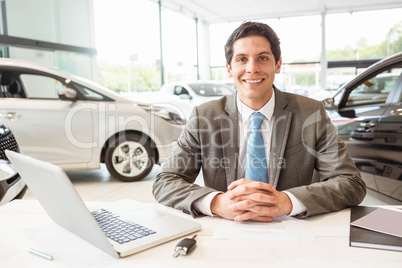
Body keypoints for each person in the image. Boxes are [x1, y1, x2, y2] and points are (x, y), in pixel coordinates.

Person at [152, 21, 366, 222]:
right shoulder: (204, 117)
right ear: (229, 69)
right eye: (242, 59)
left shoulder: (311, 113)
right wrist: (217, 203)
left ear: (278, 64)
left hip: (293, 231)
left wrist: (287, 202)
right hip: (226, 231)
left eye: (262, 58)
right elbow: (165, 181)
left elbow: (351, 183)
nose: (252, 68)